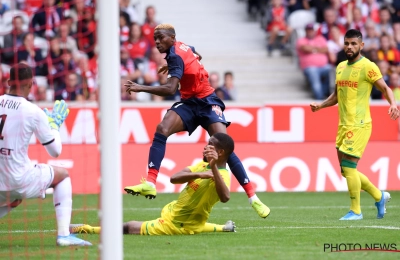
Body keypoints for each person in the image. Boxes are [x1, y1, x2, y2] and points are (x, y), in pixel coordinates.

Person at [123, 23, 270, 218]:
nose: (157, 42)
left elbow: (169, 89)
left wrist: (140, 88)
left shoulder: (176, 55)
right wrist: (177, 66)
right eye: (155, 38)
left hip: (208, 102)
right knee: (162, 129)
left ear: (172, 39)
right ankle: (150, 183)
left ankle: (253, 198)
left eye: (161, 38)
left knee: (224, 145)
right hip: (190, 104)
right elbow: (196, 54)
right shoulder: (182, 47)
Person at [310, 29, 399, 220]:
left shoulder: (368, 66)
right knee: (346, 170)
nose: (349, 47)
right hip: (343, 125)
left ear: (361, 45)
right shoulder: (341, 66)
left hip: (360, 124)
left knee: (349, 167)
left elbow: (385, 88)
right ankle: (379, 195)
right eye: (347, 43)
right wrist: (321, 105)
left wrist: (393, 103)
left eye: (353, 44)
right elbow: (336, 95)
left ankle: (356, 211)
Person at [70, 133, 237, 235]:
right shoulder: (202, 166)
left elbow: (225, 197)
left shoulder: (222, 175)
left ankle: (86, 229)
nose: (205, 147)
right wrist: (200, 173)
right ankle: (224, 228)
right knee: (197, 225)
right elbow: (174, 178)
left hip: (177, 224)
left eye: (209, 145)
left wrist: (213, 167)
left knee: (130, 227)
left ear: (220, 152)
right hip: (179, 214)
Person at [0, 63, 91, 246]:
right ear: (31, 83)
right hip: (19, 180)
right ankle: (64, 236)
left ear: (8, 81)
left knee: (13, 198)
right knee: (62, 176)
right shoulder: (32, 111)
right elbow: (55, 151)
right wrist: (54, 126)